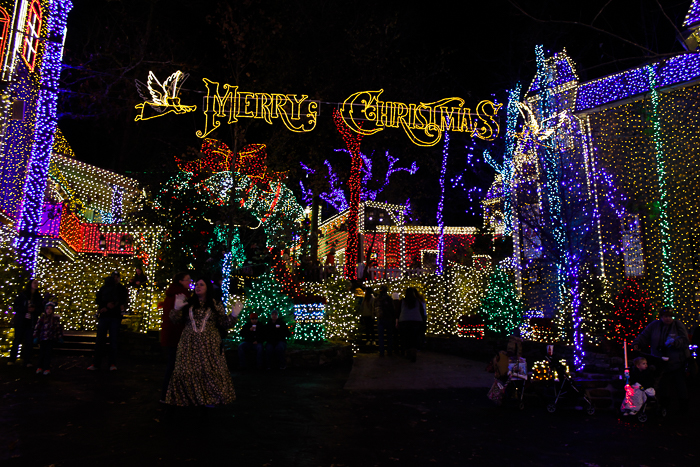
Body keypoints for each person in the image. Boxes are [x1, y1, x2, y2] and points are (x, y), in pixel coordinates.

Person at [165, 278, 240, 408]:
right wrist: (176, 309)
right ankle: (188, 398)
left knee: (210, 371)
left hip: (209, 344)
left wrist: (233, 316)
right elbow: (174, 320)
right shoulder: (188, 303)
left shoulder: (215, 304)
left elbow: (224, 323)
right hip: (189, 343)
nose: (198, 287)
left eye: (201, 285)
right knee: (186, 371)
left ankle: (210, 398)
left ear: (207, 288)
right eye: (196, 284)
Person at [633, 307, 690, 414]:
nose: (668, 319)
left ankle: (683, 409)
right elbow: (644, 335)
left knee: (680, 385)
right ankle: (664, 407)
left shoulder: (677, 325)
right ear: (661, 317)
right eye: (665, 316)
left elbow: (684, 339)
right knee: (663, 385)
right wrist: (637, 343)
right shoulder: (655, 325)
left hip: (676, 361)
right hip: (659, 361)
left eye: (670, 316)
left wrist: (675, 343)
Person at [159, 272, 192, 402]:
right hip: (177, 334)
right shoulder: (181, 295)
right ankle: (170, 395)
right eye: (187, 279)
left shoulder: (173, 293)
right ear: (180, 281)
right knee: (174, 365)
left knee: (173, 364)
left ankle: (169, 394)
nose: (190, 282)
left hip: (171, 334)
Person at [88, 272, 129, 371]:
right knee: (100, 340)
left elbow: (122, 299)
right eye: (113, 277)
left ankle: (112, 363)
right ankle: (96, 363)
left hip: (114, 316)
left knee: (113, 340)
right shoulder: (104, 288)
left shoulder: (121, 289)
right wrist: (104, 307)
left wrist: (111, 306)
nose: (115, 279)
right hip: (105, 316)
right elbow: (99, 299)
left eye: (117, 277)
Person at [9, 279, 43, 367]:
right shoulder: (23, 295)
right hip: (21, 321)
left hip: (31, 322)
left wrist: (34, 310)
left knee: (29, 342)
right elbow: (16, 306)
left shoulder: (38, 297)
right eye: (34, 283)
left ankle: (27, 360)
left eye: (37, 283)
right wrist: (25, 310)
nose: (36, 285)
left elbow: (41, 308)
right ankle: (12, 359)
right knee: (17, 340)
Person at [33, 302, 63, 376]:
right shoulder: (42, 318)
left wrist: (59, 337)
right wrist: (36, 336)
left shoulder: (55, 319)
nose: (49, 310)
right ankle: (40, 367)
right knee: (42, 353)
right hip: (43, 338)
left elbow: (58, 329)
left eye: (50, 309)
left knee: (48, 354)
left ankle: (46, 368)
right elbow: (37, 328)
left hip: (50, 338)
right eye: (47, 309)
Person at [397, 287, 426, 362]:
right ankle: (413, 352)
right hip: (416, 321)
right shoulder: (417, 301)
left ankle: (407, 352)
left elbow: (398, 311)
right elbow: (421, 312)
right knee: (414, 338)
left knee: (406, 338)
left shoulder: (403, 301)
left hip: (404, 320)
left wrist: (397, 321)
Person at [374, 285, 395, 357]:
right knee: (389, 335)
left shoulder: (377, 299)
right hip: (388, 318)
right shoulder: (389, 299)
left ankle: (381, 351)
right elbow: (392, 309)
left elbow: (375, 308)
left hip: (380, 318)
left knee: (381, 336)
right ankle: (389, 351)